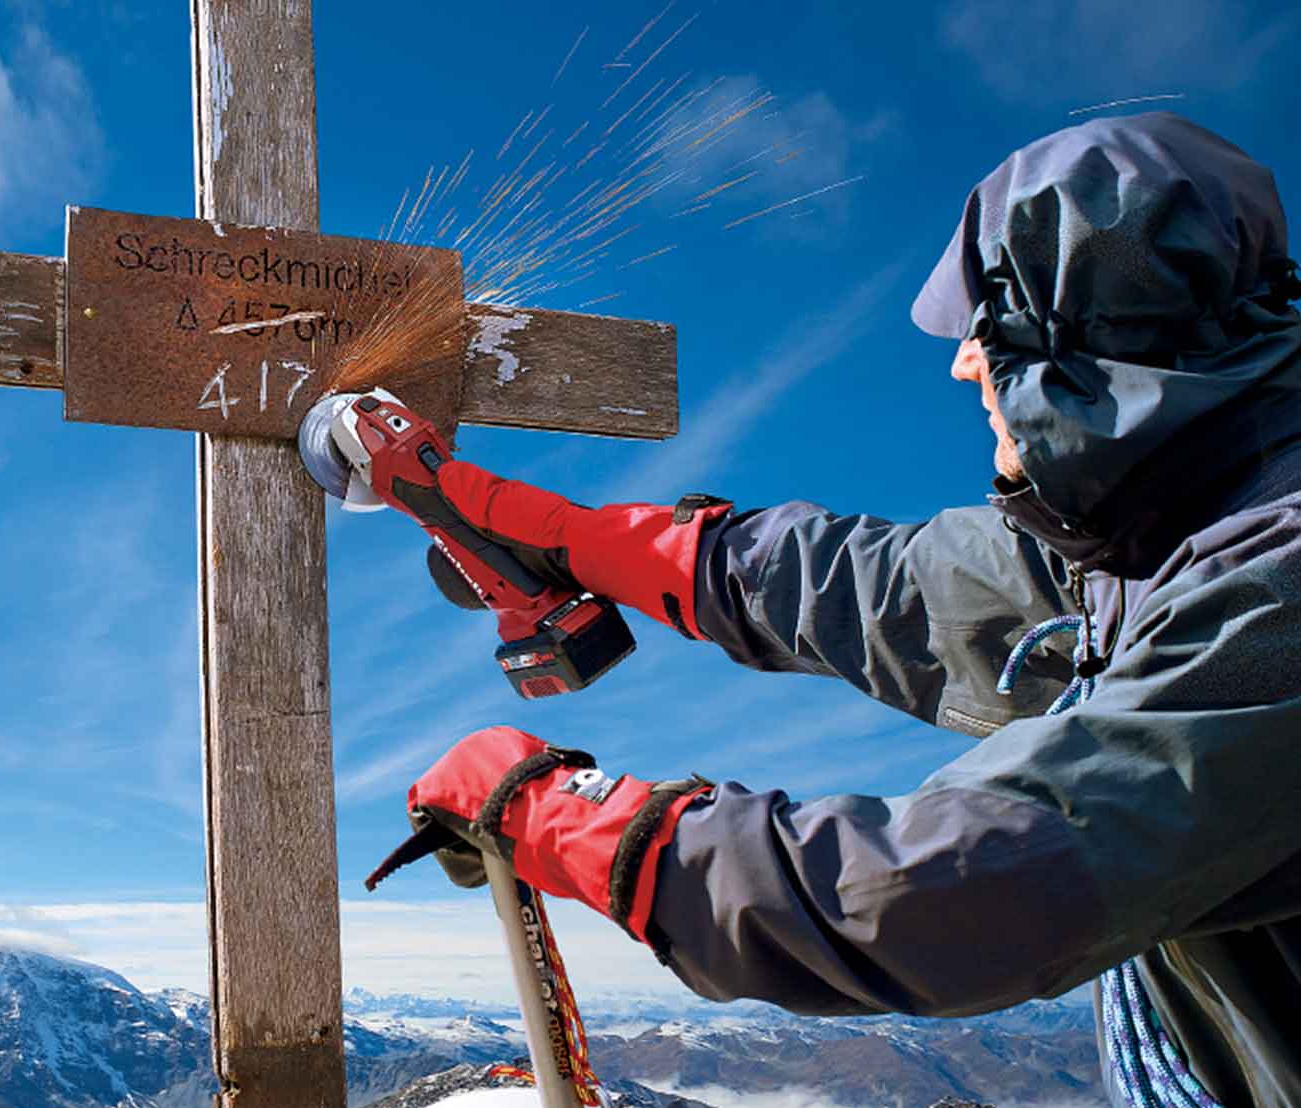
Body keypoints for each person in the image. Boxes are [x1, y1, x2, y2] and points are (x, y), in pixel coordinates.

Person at [394, 113, 1301, 1106]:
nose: (963, 366)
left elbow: (965, 888)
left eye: (986, 333)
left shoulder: (1274, 592)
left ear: (1082, 350)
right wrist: (588, 542)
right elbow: (891, 590)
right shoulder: (1159, 531)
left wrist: (572, 818)